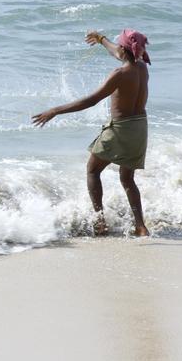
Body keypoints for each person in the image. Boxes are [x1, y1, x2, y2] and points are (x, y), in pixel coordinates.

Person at [32, 29, 152, 237]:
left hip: (121, 128)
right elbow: (119, 53)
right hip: (140, 128)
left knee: (93, 170)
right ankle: (140, 225)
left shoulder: (119, 75)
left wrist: (55, 110)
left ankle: (100, 222)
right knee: (127, 178)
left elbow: (90, 101)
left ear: (124, 49)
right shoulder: (142, 68)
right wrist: (101, 40)